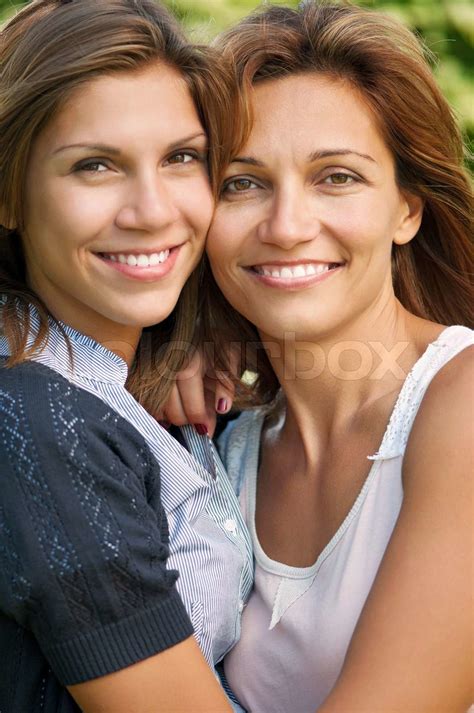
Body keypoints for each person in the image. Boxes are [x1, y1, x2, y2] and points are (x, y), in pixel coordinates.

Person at [166, 2, 474, 711]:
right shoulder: (220, 442)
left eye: (337, 176)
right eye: (241, 182)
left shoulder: (459, 403)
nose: (286, 225)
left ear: (408, 209)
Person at [0, 1, 251, 711]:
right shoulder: (40, 426)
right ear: (8, 194)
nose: (152, 209)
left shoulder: (118, 383)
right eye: (95, 165)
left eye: (182, 158)